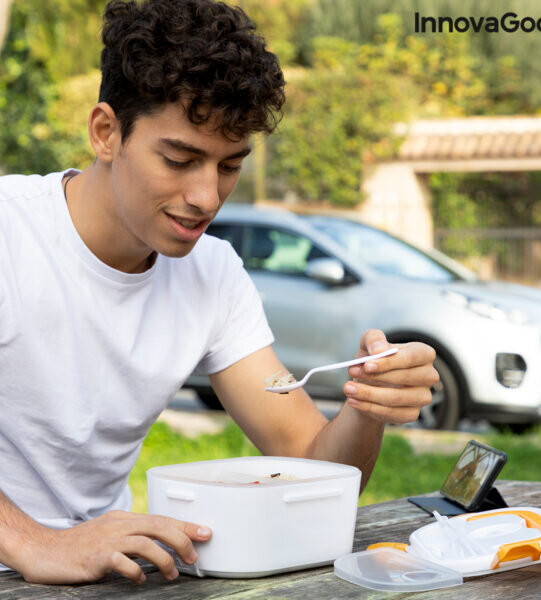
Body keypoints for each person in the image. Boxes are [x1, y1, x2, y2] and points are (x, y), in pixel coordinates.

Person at [0, 0, 438, 586]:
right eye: (179, 159)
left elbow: (311, 464)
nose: (207, 197)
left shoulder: (213, 273)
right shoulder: (10, 233)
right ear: (106, 133)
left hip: (105, 569)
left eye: (229, 166)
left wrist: (366, 405)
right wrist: (36, 544)